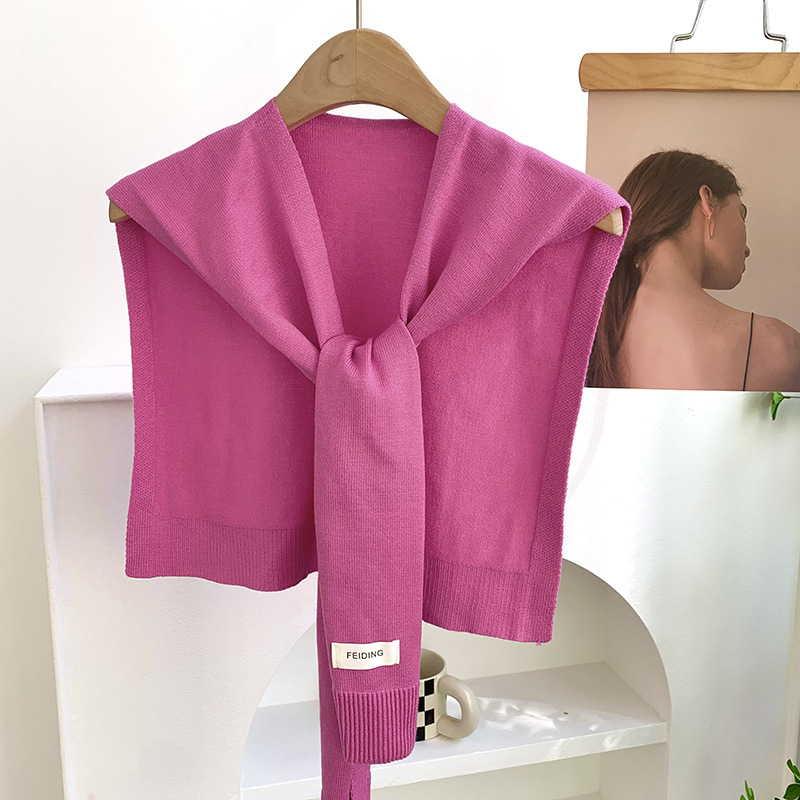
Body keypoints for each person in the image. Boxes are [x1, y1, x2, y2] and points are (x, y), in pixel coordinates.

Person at [586, 150, 800, 391]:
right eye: (742, 214)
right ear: (707, 201)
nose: (747, 249)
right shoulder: (779, 347)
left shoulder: (596, 339)